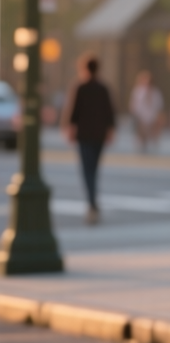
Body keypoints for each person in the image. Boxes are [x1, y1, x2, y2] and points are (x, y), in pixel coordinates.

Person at [63, 55, 115, 225]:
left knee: (88, 170)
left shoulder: (80, 87)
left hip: (85, 135)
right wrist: (110, 130)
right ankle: (93, 203)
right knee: (93, 169)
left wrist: (70, 128)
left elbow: (73, 111)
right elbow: (110, 112)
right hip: (98, 134)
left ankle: (92, 204)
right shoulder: (103, 88)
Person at [129, 70, 164, 153]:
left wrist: (158, 120)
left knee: (151, 139)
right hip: (140, 119)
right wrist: (137, 117)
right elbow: (133, 106)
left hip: (152, 119)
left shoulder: (156, 93)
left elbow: (159, 107)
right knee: (141, 139)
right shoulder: (137, 92)